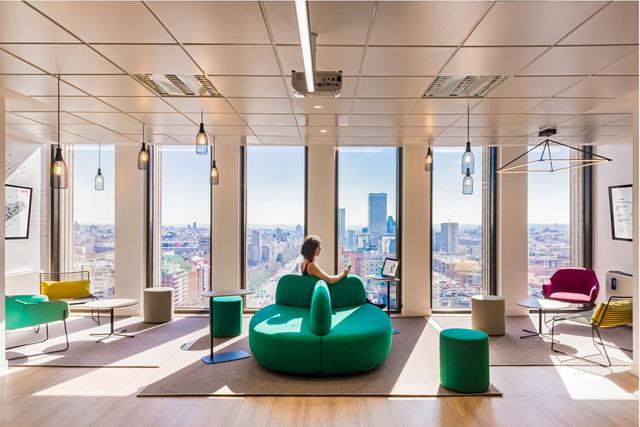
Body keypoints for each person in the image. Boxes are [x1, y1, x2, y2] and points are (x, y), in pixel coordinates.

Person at [299, 235, 385, 308]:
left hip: (320, 292)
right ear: (312, 249)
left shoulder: (304, 263)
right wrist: (343, 274)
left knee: (351, 286)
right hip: (327, 293)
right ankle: (369, 304)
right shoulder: (311, 266)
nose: (320, 249)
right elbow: (330, 280)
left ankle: (369, 303)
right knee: (351, 284)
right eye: (318, 247)